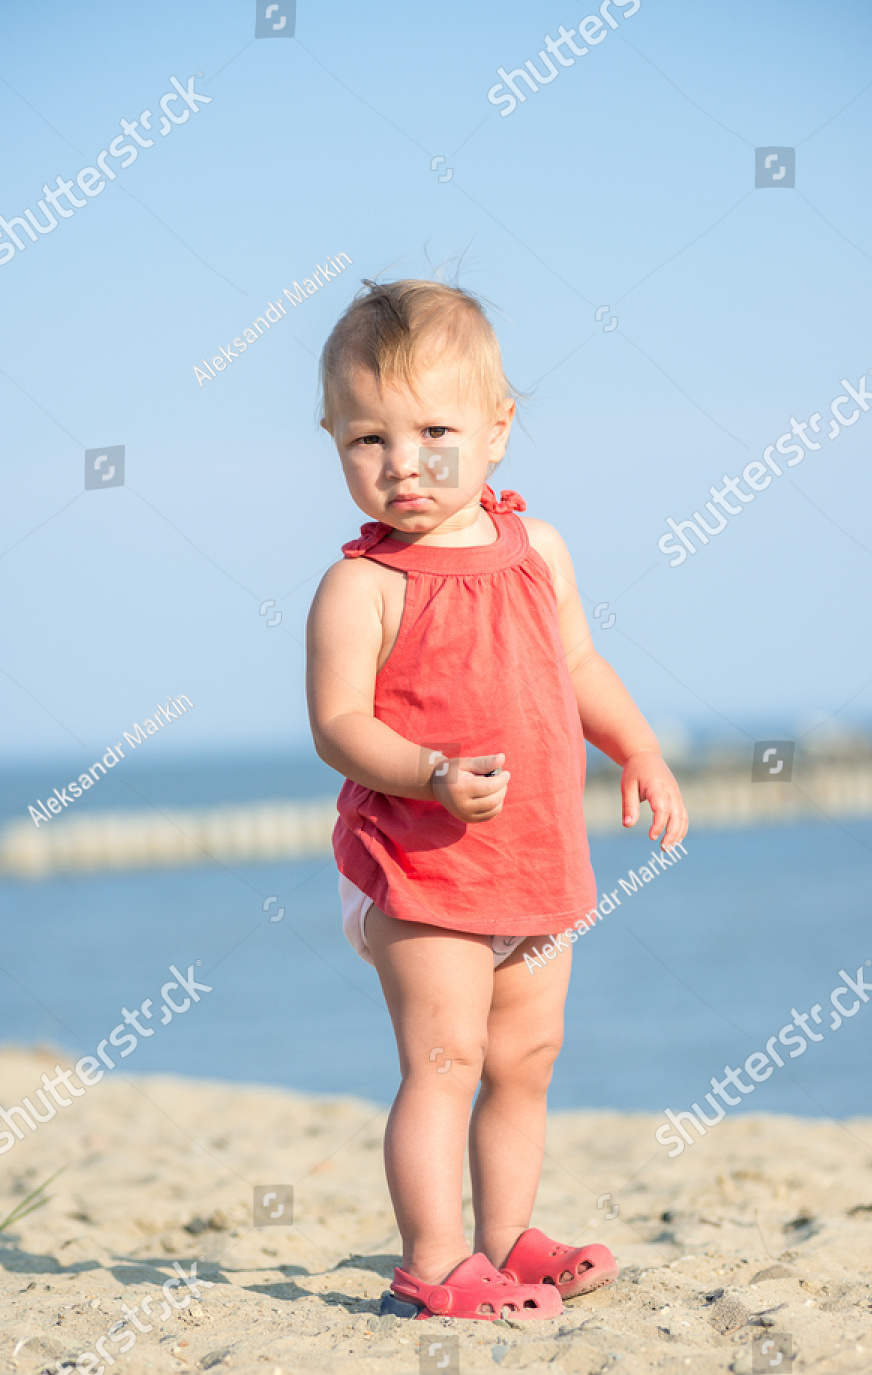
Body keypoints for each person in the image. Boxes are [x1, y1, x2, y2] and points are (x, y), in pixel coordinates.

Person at [306, 279, 688, 1321]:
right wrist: (429, 772)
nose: (404, 463)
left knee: (524, 1059)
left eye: (435, 430)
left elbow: (579, 665)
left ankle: (507, 1236)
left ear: (499, 429)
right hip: (422, 868)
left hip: (537, 866)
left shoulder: (540, 552)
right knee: (445, 1059)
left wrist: (637, 747)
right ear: (333, 439)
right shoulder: (364, 587)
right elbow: (339, 722)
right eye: (368, 439)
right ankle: (432, 1264)